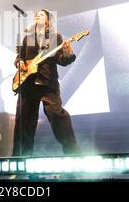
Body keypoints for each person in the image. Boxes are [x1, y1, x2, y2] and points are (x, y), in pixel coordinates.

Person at [13, 9, 81, 156]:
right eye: (37, 14)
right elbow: (19, 58)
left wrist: (68, 53)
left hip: (47, 83)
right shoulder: (27, 38)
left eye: (42, 14)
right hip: (28, 85)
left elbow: (61, 60)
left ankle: (73, 153)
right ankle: (20, 160)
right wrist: (20, 64)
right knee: (24, 123)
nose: (38, 15)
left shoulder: (54, 37)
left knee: (57, 115)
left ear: (48, 20)